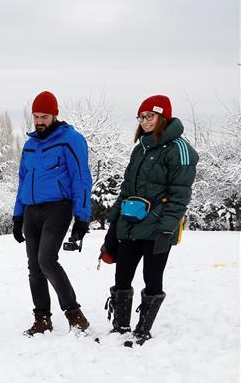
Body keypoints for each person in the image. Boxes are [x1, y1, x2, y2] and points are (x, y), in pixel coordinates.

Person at [101, 95, 198, 345]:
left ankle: (143, 329)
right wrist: (113, 226)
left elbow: (179, 196)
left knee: (152, 278)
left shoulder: (181, 150)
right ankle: (121, 326)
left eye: (150, 116)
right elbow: (125, 191)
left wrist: (166, 231)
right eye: (141, 117)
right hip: (129, 224)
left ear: (163, 117)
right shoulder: (140, 149)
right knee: (122, 276)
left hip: (157, 228)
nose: (144, 121)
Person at [13, 90, 93, 336]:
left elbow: (81, 179)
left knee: (46, 259)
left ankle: (74, 314)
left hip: (58, 207)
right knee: (34, 267)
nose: (39, 121)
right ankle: (42, 319)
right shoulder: (30, 145)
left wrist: (82, 217)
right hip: (31, 210)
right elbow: (23, 181)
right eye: (36, 116)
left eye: (44, 116)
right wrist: (17, 215)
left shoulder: (70, 140)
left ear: (55, 115)